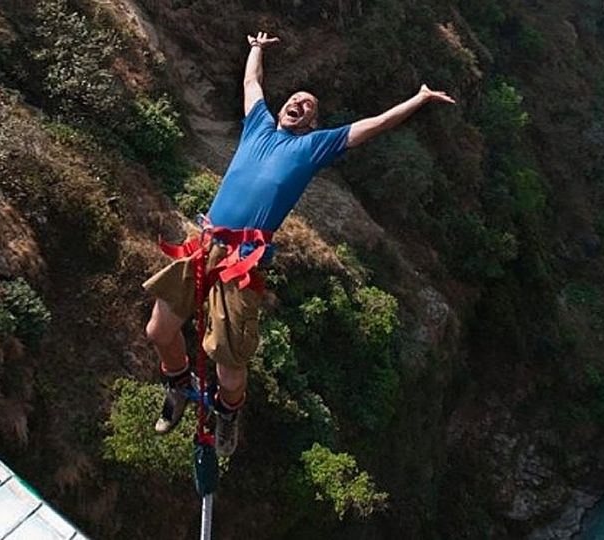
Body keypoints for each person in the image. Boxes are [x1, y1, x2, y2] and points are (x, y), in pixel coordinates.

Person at [143, 31, 454, 457]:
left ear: (311, 122)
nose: (299, 104)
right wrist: (255, 50)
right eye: (296, 99)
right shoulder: (258, 126)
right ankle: (178, 384)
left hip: (242, 261)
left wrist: (417, 100)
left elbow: (371, 126)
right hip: (205, 242)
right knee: (159, 329)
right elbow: (252, 85)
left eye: (308, 106)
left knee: (229, 368)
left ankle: (227, 413)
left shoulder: (313, 146)